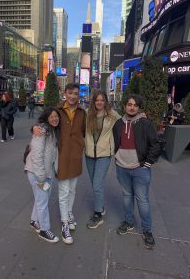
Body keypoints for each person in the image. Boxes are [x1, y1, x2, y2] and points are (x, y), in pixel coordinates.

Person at [33, 83, 86, 245]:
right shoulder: (58, 111)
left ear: (78, 95)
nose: (72, 96)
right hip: (61, 156)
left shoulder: (82, 112)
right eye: (70, 93)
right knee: (63, 192)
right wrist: (34, 127)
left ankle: (69, 213)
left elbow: (84, 131)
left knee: (72, 190)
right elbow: (44, 122)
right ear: (65, 93)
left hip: (76, 156)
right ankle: (64, 224)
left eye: (75, 94)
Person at [113, 94, 161, 250]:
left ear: (139, 107)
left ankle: (147, 230)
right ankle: (129, 221)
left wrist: (148, 162)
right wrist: (116, 157)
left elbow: (155, 144)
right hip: (122, 167)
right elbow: (115, 142)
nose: (132, 107)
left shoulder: (145, 123)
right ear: (125, 106)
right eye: (129, 104)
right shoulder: (118, 124)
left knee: (142, 200)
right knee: (127, 197)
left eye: (135, 105)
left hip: (140, 168)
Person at [85, 90, 120, 229]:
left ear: (105, 101)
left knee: (97, 184)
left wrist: (140, 116)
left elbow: (126, 121)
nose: (99, 102)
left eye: (102, 100)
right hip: (89, 154)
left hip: (104, 154)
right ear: (93, 101)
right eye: (97, 100)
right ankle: (101, 206)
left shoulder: (111, 114)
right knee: (95, 183)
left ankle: (98, 214)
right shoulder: (87, 114)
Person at [25, 107, 60, 243]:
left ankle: (34, 221)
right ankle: (45, 230)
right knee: (43, 201)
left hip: (45, 172)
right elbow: (37, 155)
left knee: (40, 199)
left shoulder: (51, 131)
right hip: (37, 172)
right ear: (46, 118)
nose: (54, 118)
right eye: (51, 116)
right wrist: (41, 178)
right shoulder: (42, 131)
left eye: (56, 116)